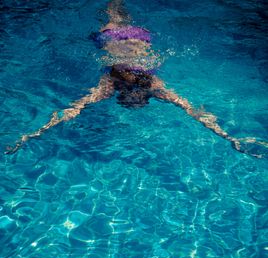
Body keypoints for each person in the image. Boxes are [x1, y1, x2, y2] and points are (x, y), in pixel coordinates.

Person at [6, 0, 267, 157]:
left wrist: (31, 135)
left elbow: (72, 110)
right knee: (113, 16)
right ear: (141, 97)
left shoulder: (119, 85)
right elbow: (195, 113)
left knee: (115, 16)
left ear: (124, 96)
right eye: (134, 98)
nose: (131, 93)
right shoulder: (144, 86)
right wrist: (230, 137)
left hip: (138, 40)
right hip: (119, 41)